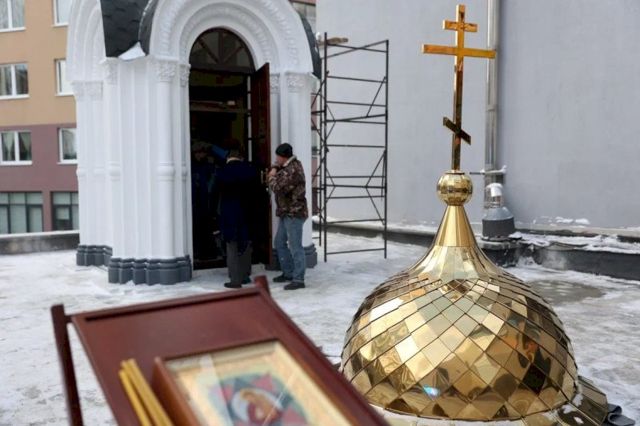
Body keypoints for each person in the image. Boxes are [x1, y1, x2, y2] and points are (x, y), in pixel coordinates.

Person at [217, 148, 260, 288]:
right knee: (245, 243)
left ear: (228, 157)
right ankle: (245, 275)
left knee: (232, 245)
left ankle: (235, 279)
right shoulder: (250, 170)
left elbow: (215, 193)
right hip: (247, 212)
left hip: (229, 212)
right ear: (241, 157)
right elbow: (257, 192)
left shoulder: (222, 171)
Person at [268, 143, 308, 290]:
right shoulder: (288, 167)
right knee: (279, 242)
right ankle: (288, 272)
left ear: (283, 157)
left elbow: (278, 188)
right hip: (287, 212)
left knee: (295, 246)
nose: (276, 159)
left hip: (294, 213)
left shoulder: (292, 170)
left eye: (277, 156)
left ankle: (298, 279)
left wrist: (271, 176)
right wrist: (276, 168)